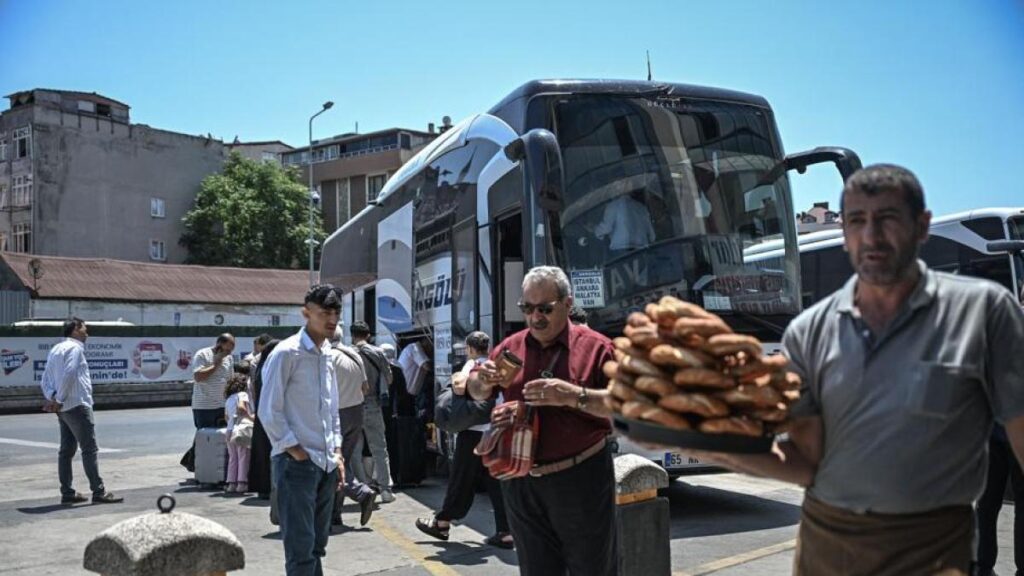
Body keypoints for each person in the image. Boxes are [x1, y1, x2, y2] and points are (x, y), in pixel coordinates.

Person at [687, 164, 1024, 575]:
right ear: (844, 233)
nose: (872, 236)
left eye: (888, 219)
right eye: (857, 221)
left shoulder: (985, 314)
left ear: (922, 227)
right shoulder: (808, 331)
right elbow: (804, 460)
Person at [467, 266, 618, 575]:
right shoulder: (510, 347)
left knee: (592, 569)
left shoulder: (597, 348)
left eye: (545, 308)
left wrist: (572, 396)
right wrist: (482, 381)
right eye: (527, 308)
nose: (536, 317)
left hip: (581, 479)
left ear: (567, 303)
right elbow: (477, 391)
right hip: (521, 481)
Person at [259, 284, 345, 576]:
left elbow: (331, 408)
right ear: (306, 313)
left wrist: (337, 451)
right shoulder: (287, 353)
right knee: (300, 550)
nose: (332, 319)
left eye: (336, 312)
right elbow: (269, 409)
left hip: (325, 463)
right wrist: (295, 450)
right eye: (325, 313)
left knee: (317, 546)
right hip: (296, 463)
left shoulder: (328, 353)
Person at [416, 330, 513, 549]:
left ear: (469, 348)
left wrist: (456, 379)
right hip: (495, 428)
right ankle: (505, 532)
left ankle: (442, 523)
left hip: (473, 431)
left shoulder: (471, 366)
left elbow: (459, 387)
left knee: (461, 479)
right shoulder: (496, 366)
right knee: (497, 482)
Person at [39, 318, 123, 505]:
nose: (87, 332)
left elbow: (45, 378)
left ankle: (67, 492)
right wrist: (59, 399)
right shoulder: (75, 349)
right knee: (89, 449)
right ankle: (98, 491)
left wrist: (53, 397)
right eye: (84, 328)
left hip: (63, 407)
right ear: (76, 329)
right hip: (77, 404)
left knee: (66, 451)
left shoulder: (56, 349)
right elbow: (69, 373)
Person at [329, 325, 377, 528]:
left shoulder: (327, 357)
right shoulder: (353, 354)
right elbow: (365, 388)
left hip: (336, 414)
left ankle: (361, 492)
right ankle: (335, 514)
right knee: (343, 462)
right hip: (356, 412)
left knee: (332, 464)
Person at [349, 320, 396, 503]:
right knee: (379, 448)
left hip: (352, 406)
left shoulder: (347, 354)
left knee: (355, 450)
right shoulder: (377, 353)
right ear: (368, 335)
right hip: (372, 405)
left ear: (352, 336)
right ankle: (385, 490)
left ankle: (364, 488)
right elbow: (389, 378)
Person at [181, 333, 235, 473]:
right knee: (203, 436)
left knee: (219, 438)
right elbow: (198, 377)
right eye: (228, 349)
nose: (230, 352)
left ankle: (207, 466)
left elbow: (230, 380)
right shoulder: (202, 355)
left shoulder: (229, 358)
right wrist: (216, 364)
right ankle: (195, 464)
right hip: (204, 405)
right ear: (219, 345)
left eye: (232, 349)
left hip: (222, 405)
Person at [976, 423, 1024, 576]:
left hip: (994, 430)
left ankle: (982, 567)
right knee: (987, 504)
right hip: (1008, 432)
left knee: (986, 504)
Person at [249, 339, 280, 500]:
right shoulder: (272, 367)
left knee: (261, 452)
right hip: (272, 415)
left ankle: (262, 487)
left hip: (261, 415)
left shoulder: (260, 368)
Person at [593, 189, 655, 259]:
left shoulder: (613, 206)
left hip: (620, 249)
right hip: (641, 250)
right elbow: (652, 236)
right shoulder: (641, 207)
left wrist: (595, 230)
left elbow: (606, 228)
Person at [224, 373, 252, 495]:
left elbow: (226, 416)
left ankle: (231, 484)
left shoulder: (229, 399)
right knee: (243, 457)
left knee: (232, 458)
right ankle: (242, 483)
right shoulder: (242, 394)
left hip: (229, 430)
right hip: (240, 430)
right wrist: (251, 418)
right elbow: (242, 408)